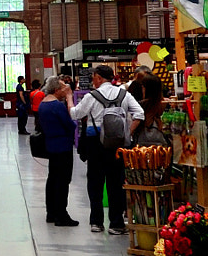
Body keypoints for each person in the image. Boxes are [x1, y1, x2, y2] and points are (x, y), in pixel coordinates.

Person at [69, 64, 145, 233]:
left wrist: (68, 99)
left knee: (95, 182)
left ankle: (96, 222)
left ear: (98, 78)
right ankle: (116, 224)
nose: (92, 81)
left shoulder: (91, 96)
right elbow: (139, 114)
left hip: (95, 142)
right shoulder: (125, 94)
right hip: (117, 144)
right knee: (116, 182)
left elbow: (76, 114)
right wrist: (127, 133)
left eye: (94, 77)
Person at [37, 80, 80, 226]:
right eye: (63, 88)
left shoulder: (43, 104)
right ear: (56, 89)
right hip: (63, 146)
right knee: (63, 180)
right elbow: (70, 124)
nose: (66, 90)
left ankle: (51, 212)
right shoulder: (57, 106)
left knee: (53, 178)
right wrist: (69, 99)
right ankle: (61, 214)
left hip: (50, 145)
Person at [131, 62, 165, 132]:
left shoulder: (140, 105)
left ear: (146, 89)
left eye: (143, 87)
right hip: (161, 139)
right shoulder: (165, 104)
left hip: (143, 139)